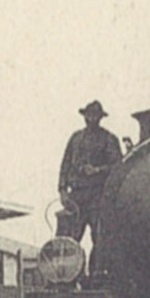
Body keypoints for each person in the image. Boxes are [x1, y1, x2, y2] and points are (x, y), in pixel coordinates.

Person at [58, 100, 122, 254]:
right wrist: (62, 190)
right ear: (84, 116)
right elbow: (65, 165)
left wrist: (98, 170)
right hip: (76, 196)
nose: (91, 119)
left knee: (100, 238)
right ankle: (69, 274)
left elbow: (119, 167)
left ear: (100, 118)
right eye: (89, 115)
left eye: (95, 116)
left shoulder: (109, 139)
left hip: (98, 196)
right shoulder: (75, 138)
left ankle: (98, 273)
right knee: (69, 237)